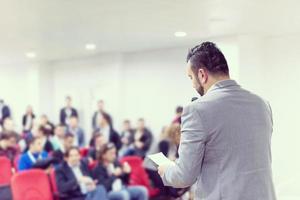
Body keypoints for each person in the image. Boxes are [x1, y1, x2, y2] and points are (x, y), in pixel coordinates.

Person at [158, 41, 276, 199]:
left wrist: (166, 169)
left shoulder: (196, 110)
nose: (193, 84)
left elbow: (184, 175)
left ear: (202, 74)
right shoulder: (262, 104)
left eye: (191, 77)